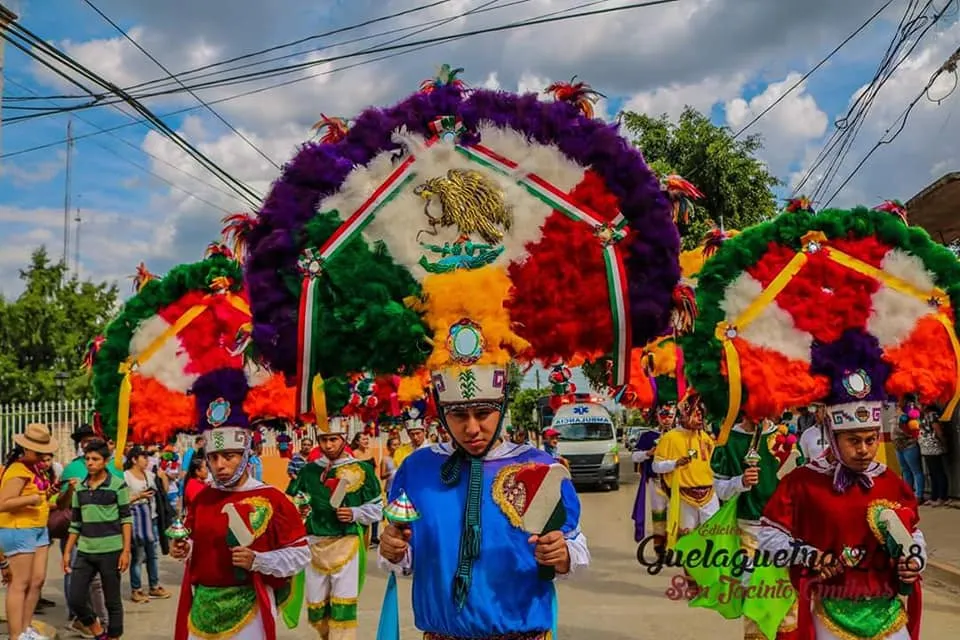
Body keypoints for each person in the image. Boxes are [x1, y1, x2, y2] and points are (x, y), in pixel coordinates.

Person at [679, 205, 956, 638]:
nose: (864, 448)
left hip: (888, 615)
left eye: (868, 439)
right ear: (832, 435)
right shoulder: (803, 484)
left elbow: (913, 533)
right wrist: (807, 556)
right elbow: (772, 539)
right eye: (854, 441)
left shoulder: (891, 483)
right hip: (830, 613)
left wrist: (912, 558)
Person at [169, 369, 310, 640]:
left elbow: (300, 554)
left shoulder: (273, 498)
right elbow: (199, 545)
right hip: (203, 607)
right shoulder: (203, 497)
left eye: (229, 456)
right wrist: (185, 548)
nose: (220, 465)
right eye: (213, 457)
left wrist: (258, 560)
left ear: (247, 455)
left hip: (249, 608)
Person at [287, 408, 383, 639]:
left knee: (343, 608)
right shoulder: (309, 471)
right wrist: (301, 508)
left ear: (344, 438)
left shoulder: (363, 470)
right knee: (316, 610)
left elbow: (377, 508)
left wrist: (355, 513)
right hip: (314, 544)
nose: (328, 445)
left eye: (333, 439)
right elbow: (295, 502)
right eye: (324, 440)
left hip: (346, 543)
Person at [709, 415, 798, 637]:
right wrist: (741, 482)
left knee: (787, 594)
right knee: (756, 594)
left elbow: (799, 479)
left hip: (784, 528)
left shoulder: (783, 437)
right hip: (748, 529)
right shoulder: (729, 440)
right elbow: (720, 489)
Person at [62, 440, 132, 640]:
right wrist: (67, 552)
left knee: (112, 601)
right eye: (87, 459)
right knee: (75, 598)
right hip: (85, 551)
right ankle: (98, 632)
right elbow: (75, 524)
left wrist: (125, 551)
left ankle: (114, 637)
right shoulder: (80, 489)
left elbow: (126, 519)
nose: (90, 463)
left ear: (106, 461)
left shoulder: (117, 485)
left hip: (111, 551)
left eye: (95, 459)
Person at [0, 424, 59, 640]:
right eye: (39, 450)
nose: (44, 455)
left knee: (37, 580)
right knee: (20, 584)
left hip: (37, 528)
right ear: (27, 449)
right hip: (18, 529)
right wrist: (31, 499)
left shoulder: (34, 468)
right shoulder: (17, 470)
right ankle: (16, 635)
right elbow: (3, 503)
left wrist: (45, 494)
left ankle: (26, 629)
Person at [58, 424, 115, 636]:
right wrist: (71, 489)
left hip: (103, 531)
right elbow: (62, 503)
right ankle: (77, 616)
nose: (86, 442)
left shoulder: (110, 467)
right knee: (73, 573)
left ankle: (102, 621)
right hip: (77, 528)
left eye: (90, 438)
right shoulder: (72, 468)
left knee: (100, 580)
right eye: (83, 439)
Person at [652, 391, 718, 546]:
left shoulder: (705, 438)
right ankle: (689, 569)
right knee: (687, 539)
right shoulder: (670, 438)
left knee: (713, 537)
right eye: (696, 414)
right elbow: (656, 466)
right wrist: (675, 463)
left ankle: (709, 568)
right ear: (684, 415)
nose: (700, 418)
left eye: (702, 414)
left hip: (709, 494)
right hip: (684, 496)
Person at [123, 446, 170, 603]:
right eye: (143, 458)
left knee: (153, 555)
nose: (146, 461)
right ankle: (136, 589)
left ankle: (154, 586)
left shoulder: (149, 475)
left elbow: (164, 491)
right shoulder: (126, 477)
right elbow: (122, 500)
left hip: (152, 519)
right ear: (134, 460)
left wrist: (163, 477)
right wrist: (139, 496)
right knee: (138, 556)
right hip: (136, 521)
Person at [630, 402, 676, 552]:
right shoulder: (649, 436)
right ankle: (659, 548)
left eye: (670, 416)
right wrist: (648, 454)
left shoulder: (679, 435)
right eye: (663, 415)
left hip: (677, 482)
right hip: (655, 481)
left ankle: (676, 547)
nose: (667, 419)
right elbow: (634, 456)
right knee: (659, 514)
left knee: (678, 514)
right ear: (657, 416)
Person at [894, 394, 924, 503]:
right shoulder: (898, 410)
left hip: (909, 445)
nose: (897, 400)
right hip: (898, 446)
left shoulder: (911, 411)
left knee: (916, 471)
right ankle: (908, 494)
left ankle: (919, 495)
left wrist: (904, 416)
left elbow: (912, 428)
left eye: (899, 398)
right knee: (905, 471)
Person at [918, 405, 950, 506]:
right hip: (926, 449)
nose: (919, 405)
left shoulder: (932, 415)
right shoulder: (923, 415)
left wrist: (944, 443)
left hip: (933, 447)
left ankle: (942, 497)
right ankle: (934, 496)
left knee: (938, 472)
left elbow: (938, 431)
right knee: (932, 473)